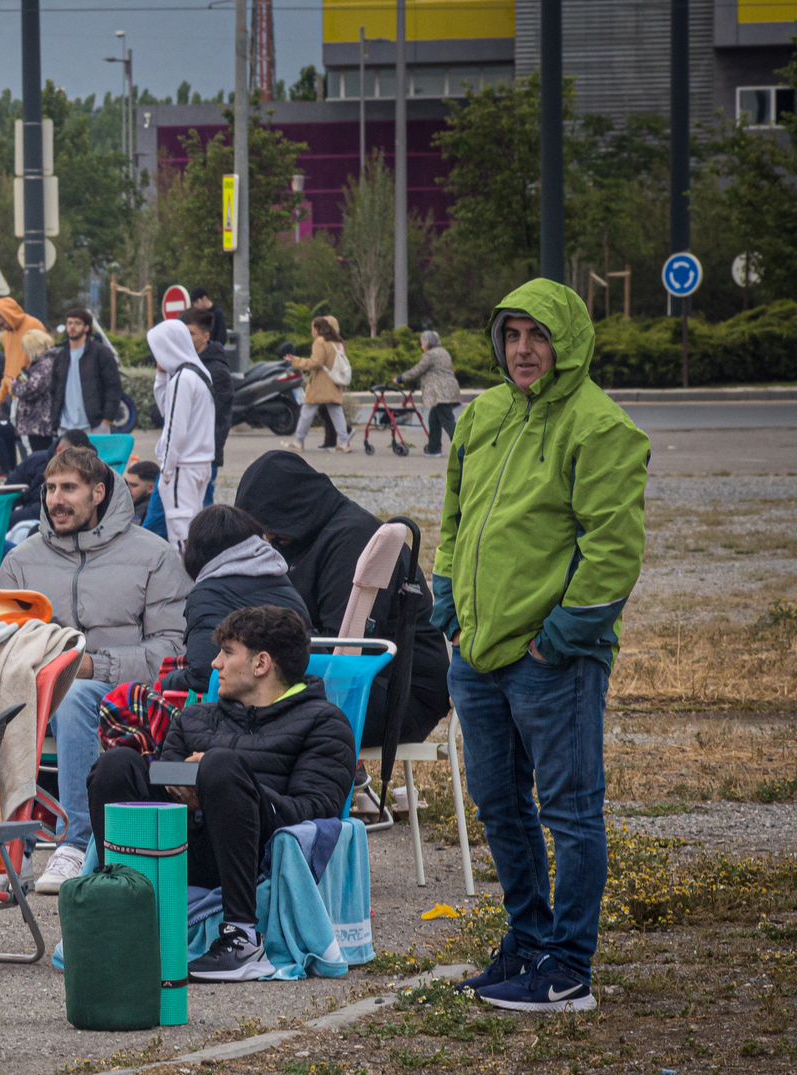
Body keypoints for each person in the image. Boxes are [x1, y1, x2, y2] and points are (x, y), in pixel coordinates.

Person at [434, 280, 649, 1014]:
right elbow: (457, 517)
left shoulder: (600, 427)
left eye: (538, 336)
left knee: (571, 812)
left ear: (568, 342)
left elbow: (613, 555)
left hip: (550, 661)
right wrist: (447, 603)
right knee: (500, 805)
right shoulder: (484, 415)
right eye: (512, 335)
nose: (524, 350)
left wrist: (557, 642)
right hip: (477, 653)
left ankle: (569, 967)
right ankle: (526, 944)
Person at [86, 606, 358, 981]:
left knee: (220, 767)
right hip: (187, 847)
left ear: (262, 663)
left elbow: (318, 813)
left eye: (227, 652)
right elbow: (165, 778)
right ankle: (119, 917)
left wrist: (226, 782)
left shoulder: (324, 723)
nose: (214, 664)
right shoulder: (196, 718)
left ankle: (243, 938)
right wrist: (188, 790)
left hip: (262, 856)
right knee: (116, 765)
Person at [0, 443, 187, 892]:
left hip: (122, 694)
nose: (56, 499)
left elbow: (171, 650)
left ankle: (76, 841)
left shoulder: (153, 556)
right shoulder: (22, 560)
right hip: (33, 689)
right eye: (51, 488)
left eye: (70, 488)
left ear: (99, 492)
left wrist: (96, 666)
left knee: (76, 696)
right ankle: (1, 851)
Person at [234, 449, 452, 745]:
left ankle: (303, 788)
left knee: (252, 710)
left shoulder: (350, 540)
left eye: (272, 530)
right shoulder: (320, 532)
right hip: (365, 682)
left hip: (399, 694)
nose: (271, 539)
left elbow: (345, 647)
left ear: (293, 509)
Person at [166, 505, 309, 695]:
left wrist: (166, 681)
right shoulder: (278, 577)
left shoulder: (208, 593)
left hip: (251, 702)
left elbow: (204, 674)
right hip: (295, 691)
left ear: (199, 551)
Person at [146, 317, 216, 553]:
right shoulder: (199, 373)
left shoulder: (182, 379)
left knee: (180, 536)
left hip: (182, 467)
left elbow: (174, 425)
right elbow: (170, 411)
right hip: (200, 463)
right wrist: (161, 376)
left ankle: (188, 586)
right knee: (194, 529)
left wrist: (166, 468)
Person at [49, 308, 126, 435]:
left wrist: (107, 420)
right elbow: (54, 390)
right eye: (69, 323)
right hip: (64, 426)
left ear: (86, 328)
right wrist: (55, 419)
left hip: (94, 425)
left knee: (94, 456)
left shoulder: (101, 353)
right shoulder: (61, 356)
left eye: (77, 323)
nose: (72, 327)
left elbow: (113, 387)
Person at [287, 316, 351, 454]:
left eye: (312, 328)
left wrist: (297, 361)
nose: (312, 331)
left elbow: (316, 362)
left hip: (320, 384)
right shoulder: (337, 342)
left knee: (307, 412)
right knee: (336, 412)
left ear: (317, 329)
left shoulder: (320, 342)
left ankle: (298, 441)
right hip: (334, 383)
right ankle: (345, 442)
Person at [401, 329, 463, 457]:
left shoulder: (430, 355)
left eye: (422, 342)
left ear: (428, 342)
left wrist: (401, 378)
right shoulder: (443, 352)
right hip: (448, 390)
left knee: (448, 421)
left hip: (440, 393)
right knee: (434, 420)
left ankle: (463, 448)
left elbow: (417, 370)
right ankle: (434, 449)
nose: (421, 345)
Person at [186, 306, 233, 470]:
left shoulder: (217, 371)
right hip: (186, 454)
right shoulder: (187, 364)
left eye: (191, 334)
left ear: (206, 336)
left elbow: (219, 416)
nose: (187, 338)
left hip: (203, 457)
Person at [0, 298, 47, 405]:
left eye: (2, 324)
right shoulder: (6, 336)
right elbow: (8, 370)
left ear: (8, 315)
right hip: (16, 396)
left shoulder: (34, 326)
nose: (3, 328)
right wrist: (0, 397)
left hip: (33, 395)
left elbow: (43, 363)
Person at [10, 328, 61, 457]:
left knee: (41, 456)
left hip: (39, 422)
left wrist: (15, 385)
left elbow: (32, 388)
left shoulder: (45, 364)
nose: (25, 353)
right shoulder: (50, 361)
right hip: (41, 421)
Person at [125, 458, 160, 524]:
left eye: (133, 485)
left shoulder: (150, 511)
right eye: (126, 483)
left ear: (151, 488)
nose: (127, 489)